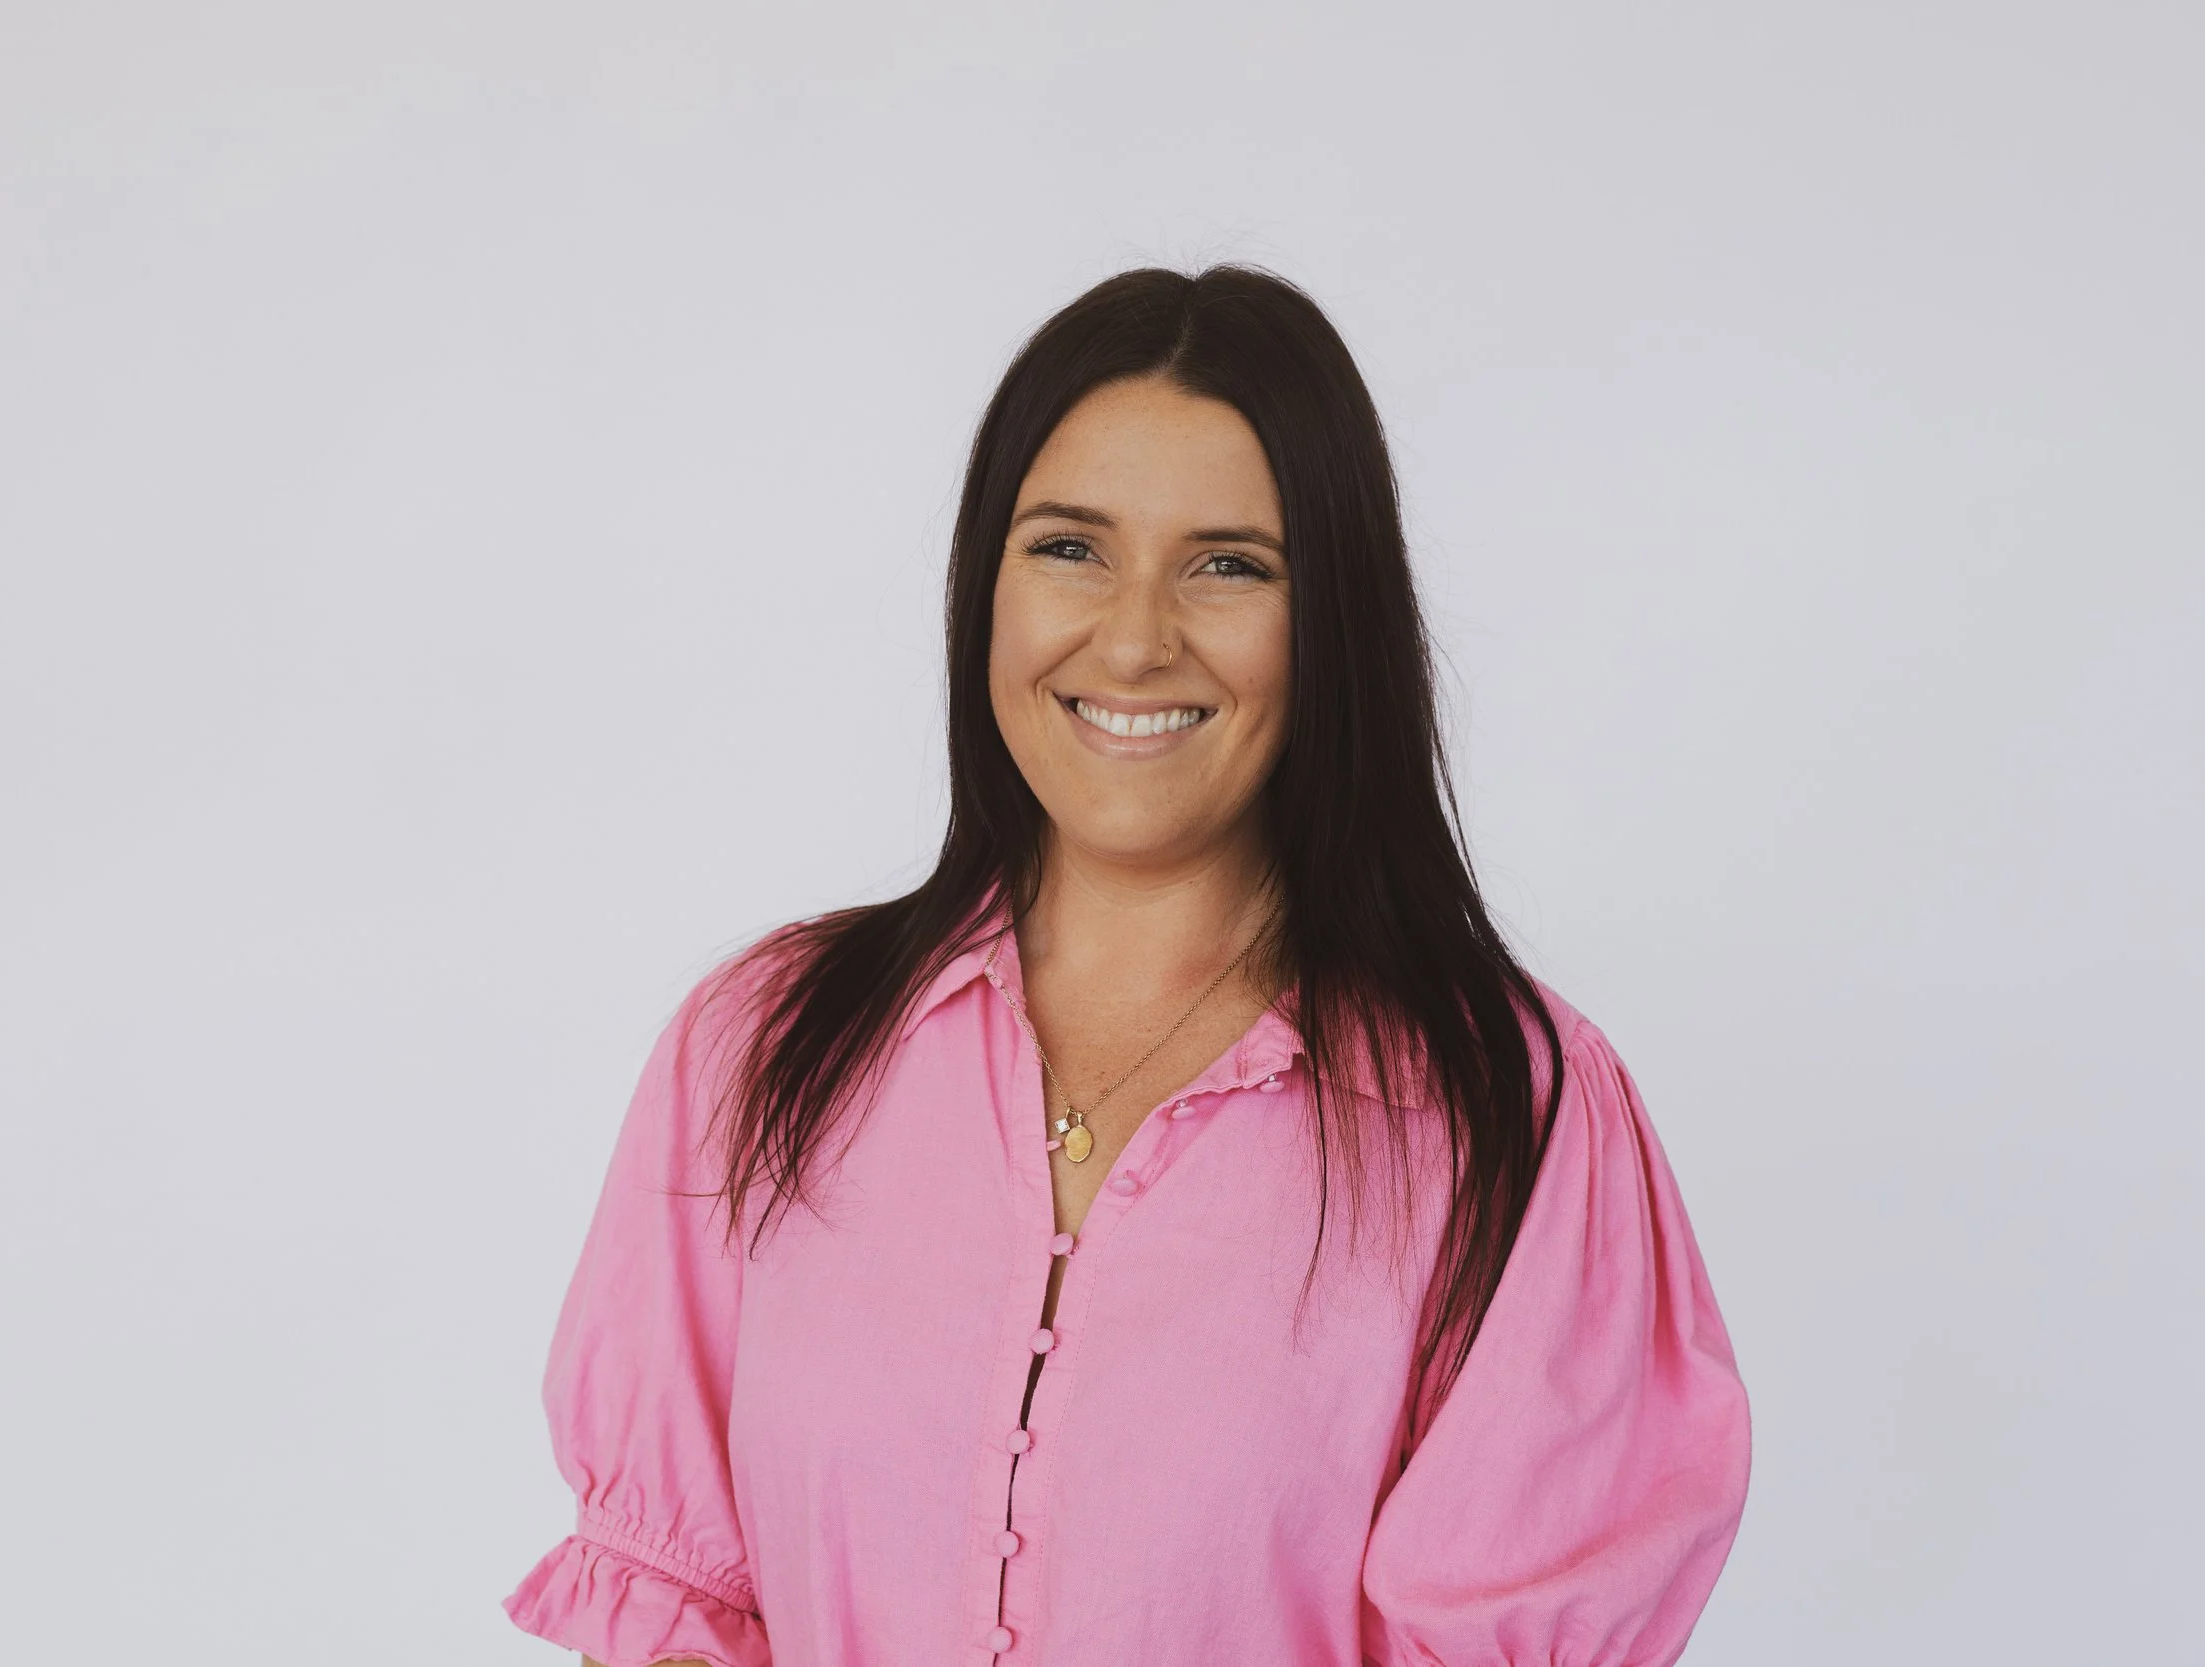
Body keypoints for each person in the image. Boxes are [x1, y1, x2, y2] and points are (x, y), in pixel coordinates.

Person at [502, 265, 1751, 1667]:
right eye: (1070, 548)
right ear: (987, 582)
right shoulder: (764, 1044)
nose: (1138, 635)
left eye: (1229, 563)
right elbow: (674, 1603)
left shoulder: (1511, 1114)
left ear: (1331, 616)